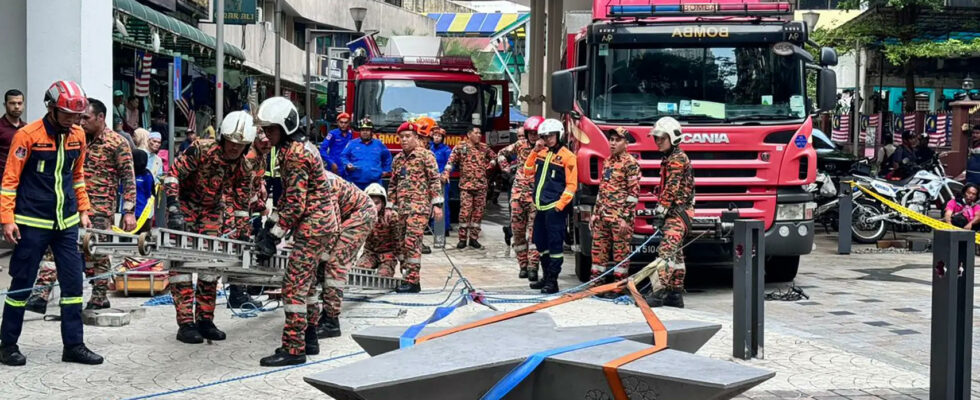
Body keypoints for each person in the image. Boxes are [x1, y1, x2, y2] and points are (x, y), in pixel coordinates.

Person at [0, 80, 103, 366]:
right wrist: (7, 219)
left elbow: (77, 175)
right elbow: (10, 181)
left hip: (66, 222)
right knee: (22, 284)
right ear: (51, 108)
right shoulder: (27, 135)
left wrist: (83, 208)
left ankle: (74, 345)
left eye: (77, 115)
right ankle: (7, 344)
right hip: (32, 222)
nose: (73, 120)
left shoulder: (78, 135)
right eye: (67, 114)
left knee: (73, 285)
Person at [26, 98, 137, 311]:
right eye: (80, 117)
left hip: (100, 209)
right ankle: (40, 294)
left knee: (96, 252)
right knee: (54, 248)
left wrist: (129, 211)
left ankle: (99, 296)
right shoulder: (73, 138)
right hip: (68, 204)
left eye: (86, 117)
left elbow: (128, 178)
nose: (81, 121)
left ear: (101, 117)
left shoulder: (117, 143)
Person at [253, 97, 338, 367]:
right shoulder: (299, 148)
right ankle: (310, 337)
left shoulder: (295, 154)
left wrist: (273, 236)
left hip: (313, 227)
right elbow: (288, 198)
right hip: (320, 224)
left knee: (294, 288)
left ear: (286, 127)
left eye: (271, 129)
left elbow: (295, 203)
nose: (267, 135)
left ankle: (293, 349)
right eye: (264, 130)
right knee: (309, 285)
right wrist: (270, 227)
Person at [164, 111, 262, 344]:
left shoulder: (243, 167)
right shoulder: (201, 150)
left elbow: (240, 203)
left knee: (211, 264)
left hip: (211, 211)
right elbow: (173, 175)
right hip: (185, 205)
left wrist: (242, 233)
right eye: (231, 142)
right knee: (181, 265)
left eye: (240, 145)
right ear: (222, 138)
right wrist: (174, 208)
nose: (234, 149)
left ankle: (205, 319)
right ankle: (186, 323)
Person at [314, 171, 377, 339]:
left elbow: (331, 227)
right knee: (323, 262)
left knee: (335, 264)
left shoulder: (326, 184)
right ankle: (324, 312)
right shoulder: (305, 179)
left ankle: (331, 322)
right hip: (346, 215)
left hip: (362, 215)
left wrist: (324, 255)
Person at [642, 117, 694, 308]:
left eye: (661, 138)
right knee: (677, 256)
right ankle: (674, 294)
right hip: (679, 212)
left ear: (672, 138)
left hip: (677, 213)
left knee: (665, 253)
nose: (657, 142)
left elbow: (671, 189)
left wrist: (660, 213)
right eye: (656, 138)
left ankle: (657, 293)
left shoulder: (676, 160)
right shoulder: (670, 159)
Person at [388, 121, 444, 293]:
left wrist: (437, 205)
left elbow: (434, 180)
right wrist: (390, 207)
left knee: (412, 242)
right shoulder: (398, 159)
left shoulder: (426, 156)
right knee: (401, 243)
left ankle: (413, 281)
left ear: (416, 138)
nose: (404, 140)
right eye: (401, 137)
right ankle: (406, 275)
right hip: (402, 209)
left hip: (419, 207)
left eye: (408, 137)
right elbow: (393, 184)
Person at [523, 118, 577, 294]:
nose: (548, 139)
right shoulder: (542, 153)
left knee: (555, 247)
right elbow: (527, 171)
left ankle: (552, 281)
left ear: (559, 135)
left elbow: (571, 185)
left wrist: (560, 205)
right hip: (540, 208)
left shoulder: (568, 157)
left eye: (551, 136)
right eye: (545, 136)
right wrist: (534, 151)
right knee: (540, 243)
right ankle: (545, 277)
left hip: (554, 209)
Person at [590, 127, 640, 297]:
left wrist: (625, 218)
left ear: (626, 143)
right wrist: (595, 213)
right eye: (611, 139)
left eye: (617, 140)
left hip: (620, 218)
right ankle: (597, 285)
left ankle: (618, 288)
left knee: (620, 254)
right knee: (598, 252)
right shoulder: (607, 161)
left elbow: (634, 194)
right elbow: (602, 190)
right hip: (603, 216)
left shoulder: (631, 164)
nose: (612, 143)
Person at [497, 117, 542, 281]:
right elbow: (501, 154)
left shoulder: (546, 149)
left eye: (535, 133)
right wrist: (507, 170)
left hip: (535, 198)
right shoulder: (520, 145)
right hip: (518, 195)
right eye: (529, 133)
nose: (532, 136)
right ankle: (522, 265)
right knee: (518, 232)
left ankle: (533, 267)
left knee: (534, 234)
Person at [443, 126, 496, 249]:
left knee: (478, 214)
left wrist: (490, 165)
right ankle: (462, 239)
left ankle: (474, 239)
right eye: (476, 133)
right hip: (466, 187)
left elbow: (494, 157)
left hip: (481, 187)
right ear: (469, 134)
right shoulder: (461, 147)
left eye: (480, 133)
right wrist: (446, 173)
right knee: (465, 213)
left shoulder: (484, 147)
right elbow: (451, 162)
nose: (479, 135)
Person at [357, 183, 400, 277]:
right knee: (360, 272)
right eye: (371, 203)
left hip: (388, 254)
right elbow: (355, 240)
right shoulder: (361, 216)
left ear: (383, 203)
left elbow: (398, 242)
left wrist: (404, 265)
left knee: (383, 276)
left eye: (377, 203)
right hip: (370, 253)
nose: (374, 206)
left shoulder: (392, 217)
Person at [339, 118, 392, 189]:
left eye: (367, 130)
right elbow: (343, 156)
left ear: (371, 132)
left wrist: (386, 170)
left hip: (375, 183)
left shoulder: (379, 144)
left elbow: (387, 157)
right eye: (363, 130)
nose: (365, 132)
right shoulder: (352, 143)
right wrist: (347, 164)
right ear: (360, 132)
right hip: (355, 183)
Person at [429, 127, 452, 235]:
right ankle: (432, 227)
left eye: (439, 136)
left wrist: (444, 174)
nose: (437, 138)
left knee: (443, 204)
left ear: (442, 138)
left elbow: (451, 164)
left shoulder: (446, 150)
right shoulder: (430, 149)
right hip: (431, 180)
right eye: (435, 135)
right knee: (431, 204)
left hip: (442, 181)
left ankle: (445, 228)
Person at [319, 112, 353, 178]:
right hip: (334, 168)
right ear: (337, 122)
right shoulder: (332, 134)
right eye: (341, 122)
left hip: (347, 168)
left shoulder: (351, 134)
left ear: (349, 123)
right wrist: (331, 163)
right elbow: (322, 150)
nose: (343, 125)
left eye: (345, 123)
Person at [0, 90, 26, 174]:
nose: (17, 106)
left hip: (22, 179)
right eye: (12, 103)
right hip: (3, 179)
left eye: (19, 103)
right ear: (5, 105)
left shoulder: (27, 128)